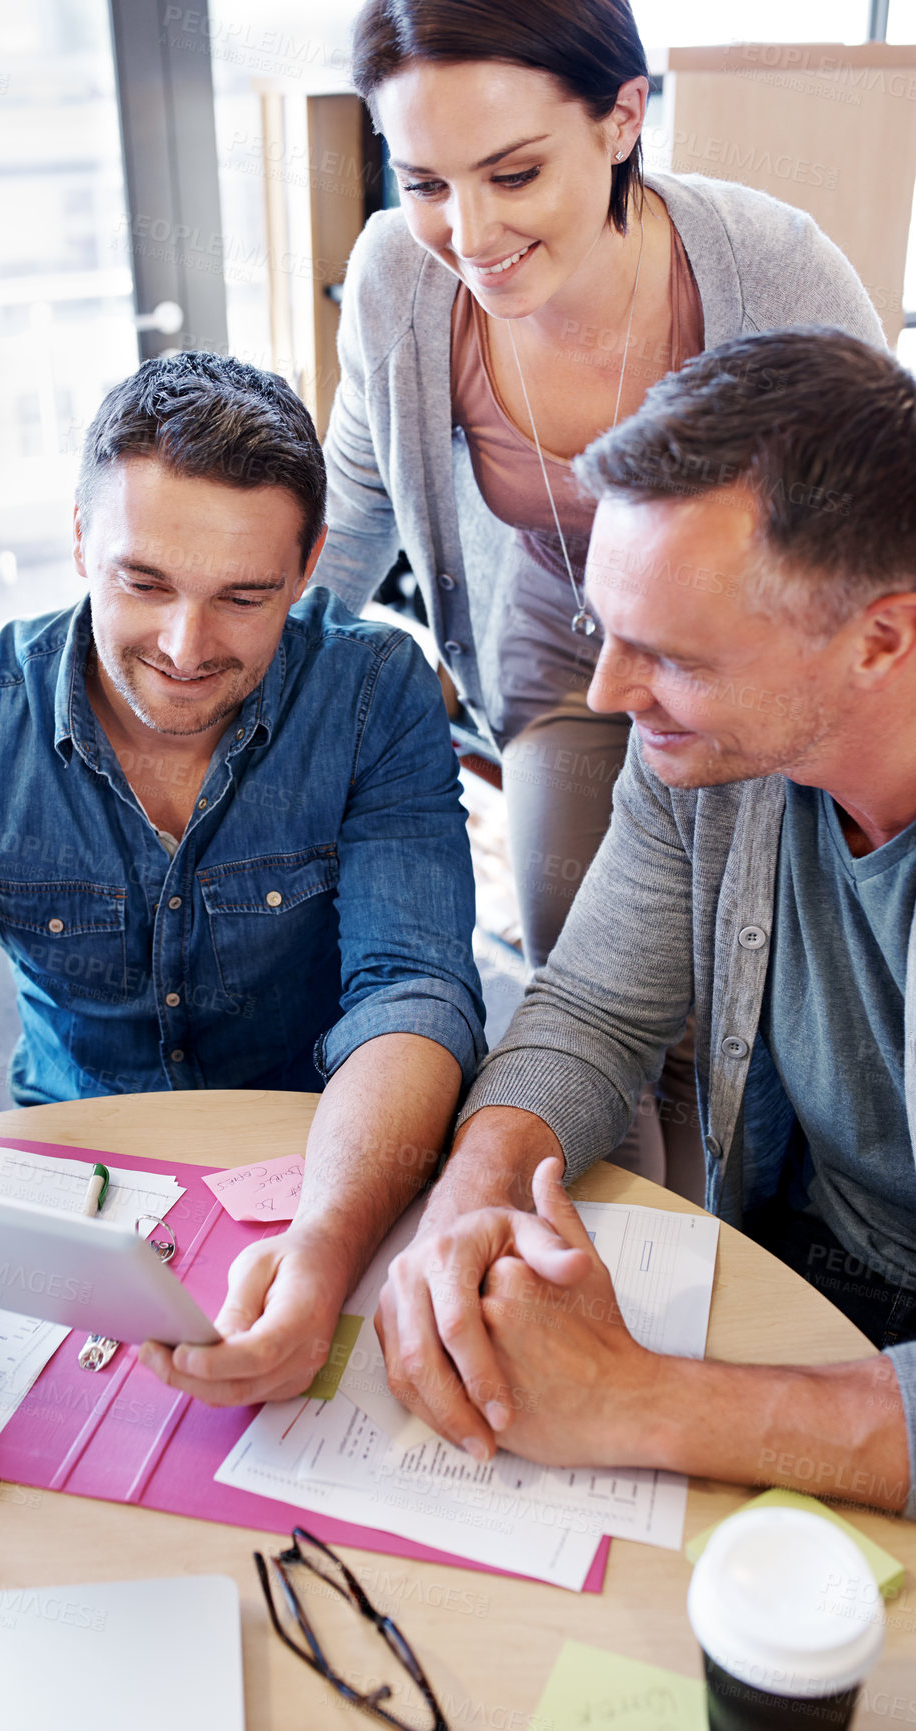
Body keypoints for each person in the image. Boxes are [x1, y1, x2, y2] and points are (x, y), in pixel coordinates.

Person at [0, 351, 486, 1412]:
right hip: (65, 1187)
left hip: (321, 1165)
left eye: (245, 597)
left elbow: (412, 993)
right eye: (143, 583)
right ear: (78, 540)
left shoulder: (376, 693)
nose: (186, 649)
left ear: (311, 563)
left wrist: (326, 1242)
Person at [313, 0, 884, 1192]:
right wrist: (266, 674)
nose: (467, 231)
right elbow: (355, 494)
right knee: (591, 970)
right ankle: (615, 1255)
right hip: (549, 628)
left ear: (625, 116)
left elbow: (876, 515)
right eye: (423, 182)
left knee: (724, 994)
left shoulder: (769, 266)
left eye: (513, 173)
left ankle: (717, 1230)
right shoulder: (397, 283)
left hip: (745, 645)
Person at [375, 327, 916, 1515]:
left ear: (881, 637)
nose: (612, 695)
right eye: (604, 632)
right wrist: (466, 1210)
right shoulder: (711, 758)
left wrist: (638, 1400)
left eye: (668, 655)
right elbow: (588, 1011)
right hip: (795, 1269)